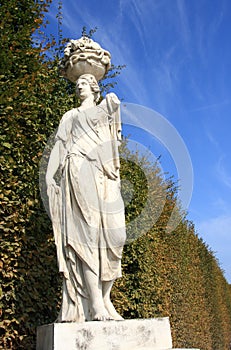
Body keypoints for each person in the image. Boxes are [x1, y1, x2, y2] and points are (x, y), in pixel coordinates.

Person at [46, 73, 126, 322]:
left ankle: (104, 298)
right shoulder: (71, 116)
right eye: (77, 82)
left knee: (116, 234)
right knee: (88, 235)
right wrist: (50, 176)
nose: (79, 85)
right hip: (78, 167)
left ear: (94, 87)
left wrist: (114, 106)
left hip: (106, 175)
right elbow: (60, 145)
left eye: (84, 83)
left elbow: (115, 137)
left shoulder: (104, 110)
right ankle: (95, 304)